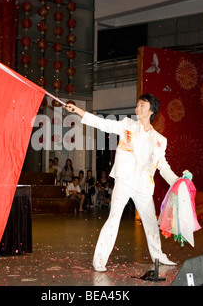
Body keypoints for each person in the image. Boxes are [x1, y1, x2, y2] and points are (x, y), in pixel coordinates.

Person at [65, 93, 179, 272]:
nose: (138, 108)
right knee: (113, 219)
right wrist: (78, 110)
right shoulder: (127, 125)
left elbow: (163, 167)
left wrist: (177, 181)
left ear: (151, 110)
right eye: (138, 105)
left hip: (144, 186)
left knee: (150, 222)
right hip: (124, 182)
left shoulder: (159, 140)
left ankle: (158, 255)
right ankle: (100, 260)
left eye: (142, 105)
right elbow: (102, 123)